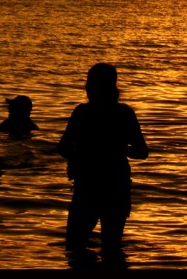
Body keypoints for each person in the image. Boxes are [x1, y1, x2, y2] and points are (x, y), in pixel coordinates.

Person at [58, 63, 149, 254]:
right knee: (112, 248)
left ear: (90, 86)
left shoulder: (82, 112)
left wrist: (79, 158)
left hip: (87, 185)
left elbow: (63, 147)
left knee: (75, 247)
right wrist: (120, 150)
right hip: (117, 185)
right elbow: (141, 152)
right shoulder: (125, 113)